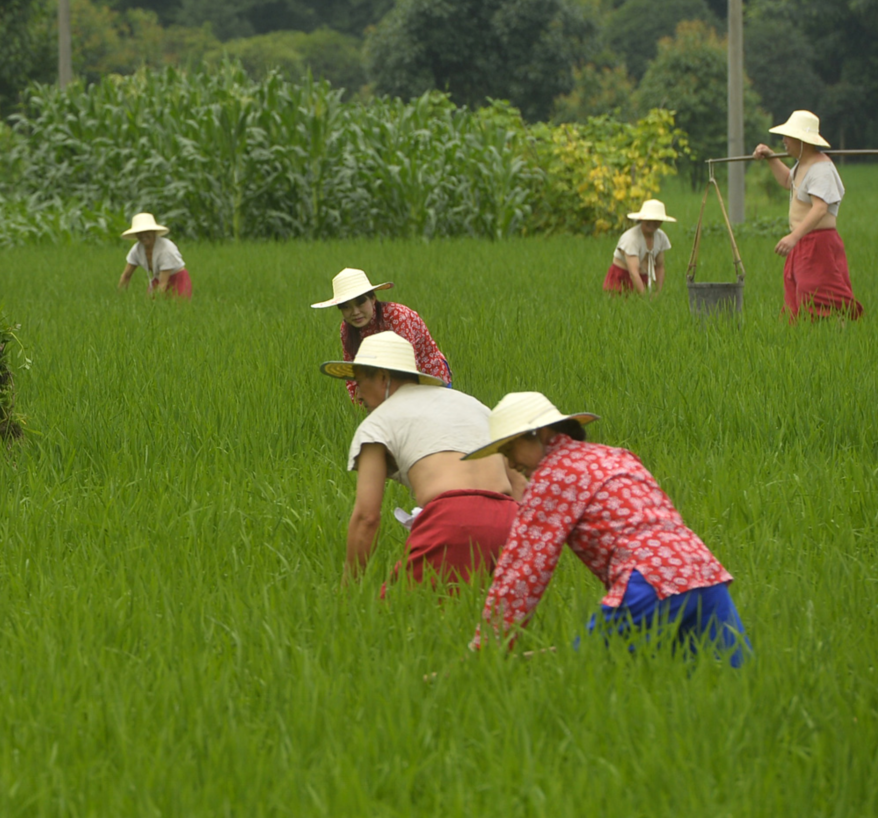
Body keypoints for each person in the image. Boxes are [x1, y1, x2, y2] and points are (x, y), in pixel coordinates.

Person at [465, 392, 747, 666]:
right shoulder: (616, 456)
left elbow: (523, 567)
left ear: (539, 434)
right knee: (730, 680)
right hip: (704, 572)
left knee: (583, 678)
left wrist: (486, 649)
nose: (511, 464)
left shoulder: (553, 474)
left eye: (509, 450)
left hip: (650, 583)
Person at [322, 332, 519, 589]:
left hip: (453, 521)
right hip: (510, 520)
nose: (357, 394)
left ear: (383, 377)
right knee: (489, 618)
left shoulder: (377, 422)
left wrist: (349, 592)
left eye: (359, 382)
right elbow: (519, 480)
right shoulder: (475, 406)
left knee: (393, 618)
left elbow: (367, 517)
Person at [753, 110, 863, 321]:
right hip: (804, 241)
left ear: (802, 140)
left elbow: (820, 208)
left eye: (788, 137)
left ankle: (835, 334)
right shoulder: (802, 164)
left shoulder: (821, 168)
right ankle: (812, 338)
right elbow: (788, 182)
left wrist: (793, 237)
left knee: (816, 293)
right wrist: (770, 156)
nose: (784, 141)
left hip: (819, 242)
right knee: (800, 293)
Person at [312, 267, 452, 402]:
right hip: (384, 386)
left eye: (360, 303)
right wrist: (360, 405)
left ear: (373, 299)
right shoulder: (346, 328)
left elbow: (408, 369)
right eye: (346, 307)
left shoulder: (397, 316)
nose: (355, 312)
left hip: (430, 377)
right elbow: (353, 372)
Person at [603, 199, 674, 294]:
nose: (652, 223)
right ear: (642, 219)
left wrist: (658, 292)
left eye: (656, 220)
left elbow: (659, 266)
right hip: (622, 279)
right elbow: (633, 273)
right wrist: (645, 297)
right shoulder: (631, 238)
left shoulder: (661, 237)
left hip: (643, 278)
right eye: (649, 220)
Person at [118, 213, 192, 298]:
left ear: (154, 232)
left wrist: (155, 303)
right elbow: (126, 276)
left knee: (177, 307)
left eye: (147, 232)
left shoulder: (166, 249)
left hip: (177, 279)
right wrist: (120, 297)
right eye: (140, 233)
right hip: (158, 278)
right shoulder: (137, 249)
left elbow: (163, 283)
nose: (143, 236)